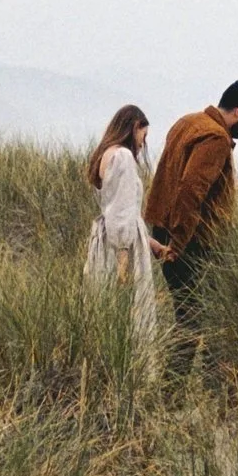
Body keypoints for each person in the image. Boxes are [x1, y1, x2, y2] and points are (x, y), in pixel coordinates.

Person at [144, 79, 238, 302]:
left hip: (164, 227)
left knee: (183, 307)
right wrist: (179, 243)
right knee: (195, 314)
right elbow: (191, 189)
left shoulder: (187, 122)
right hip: (189, 237)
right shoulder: (216, 138)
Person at [82, 104, 159, 339]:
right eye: (143, 135)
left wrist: (153, 245)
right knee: (131, 315)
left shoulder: (106, 154)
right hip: (121, 247)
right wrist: (124, 261)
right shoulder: (123, 157)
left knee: (103, 313)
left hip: (105, 241)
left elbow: (117, 210)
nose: (143, 143)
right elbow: (122, 214)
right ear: (135, 127)